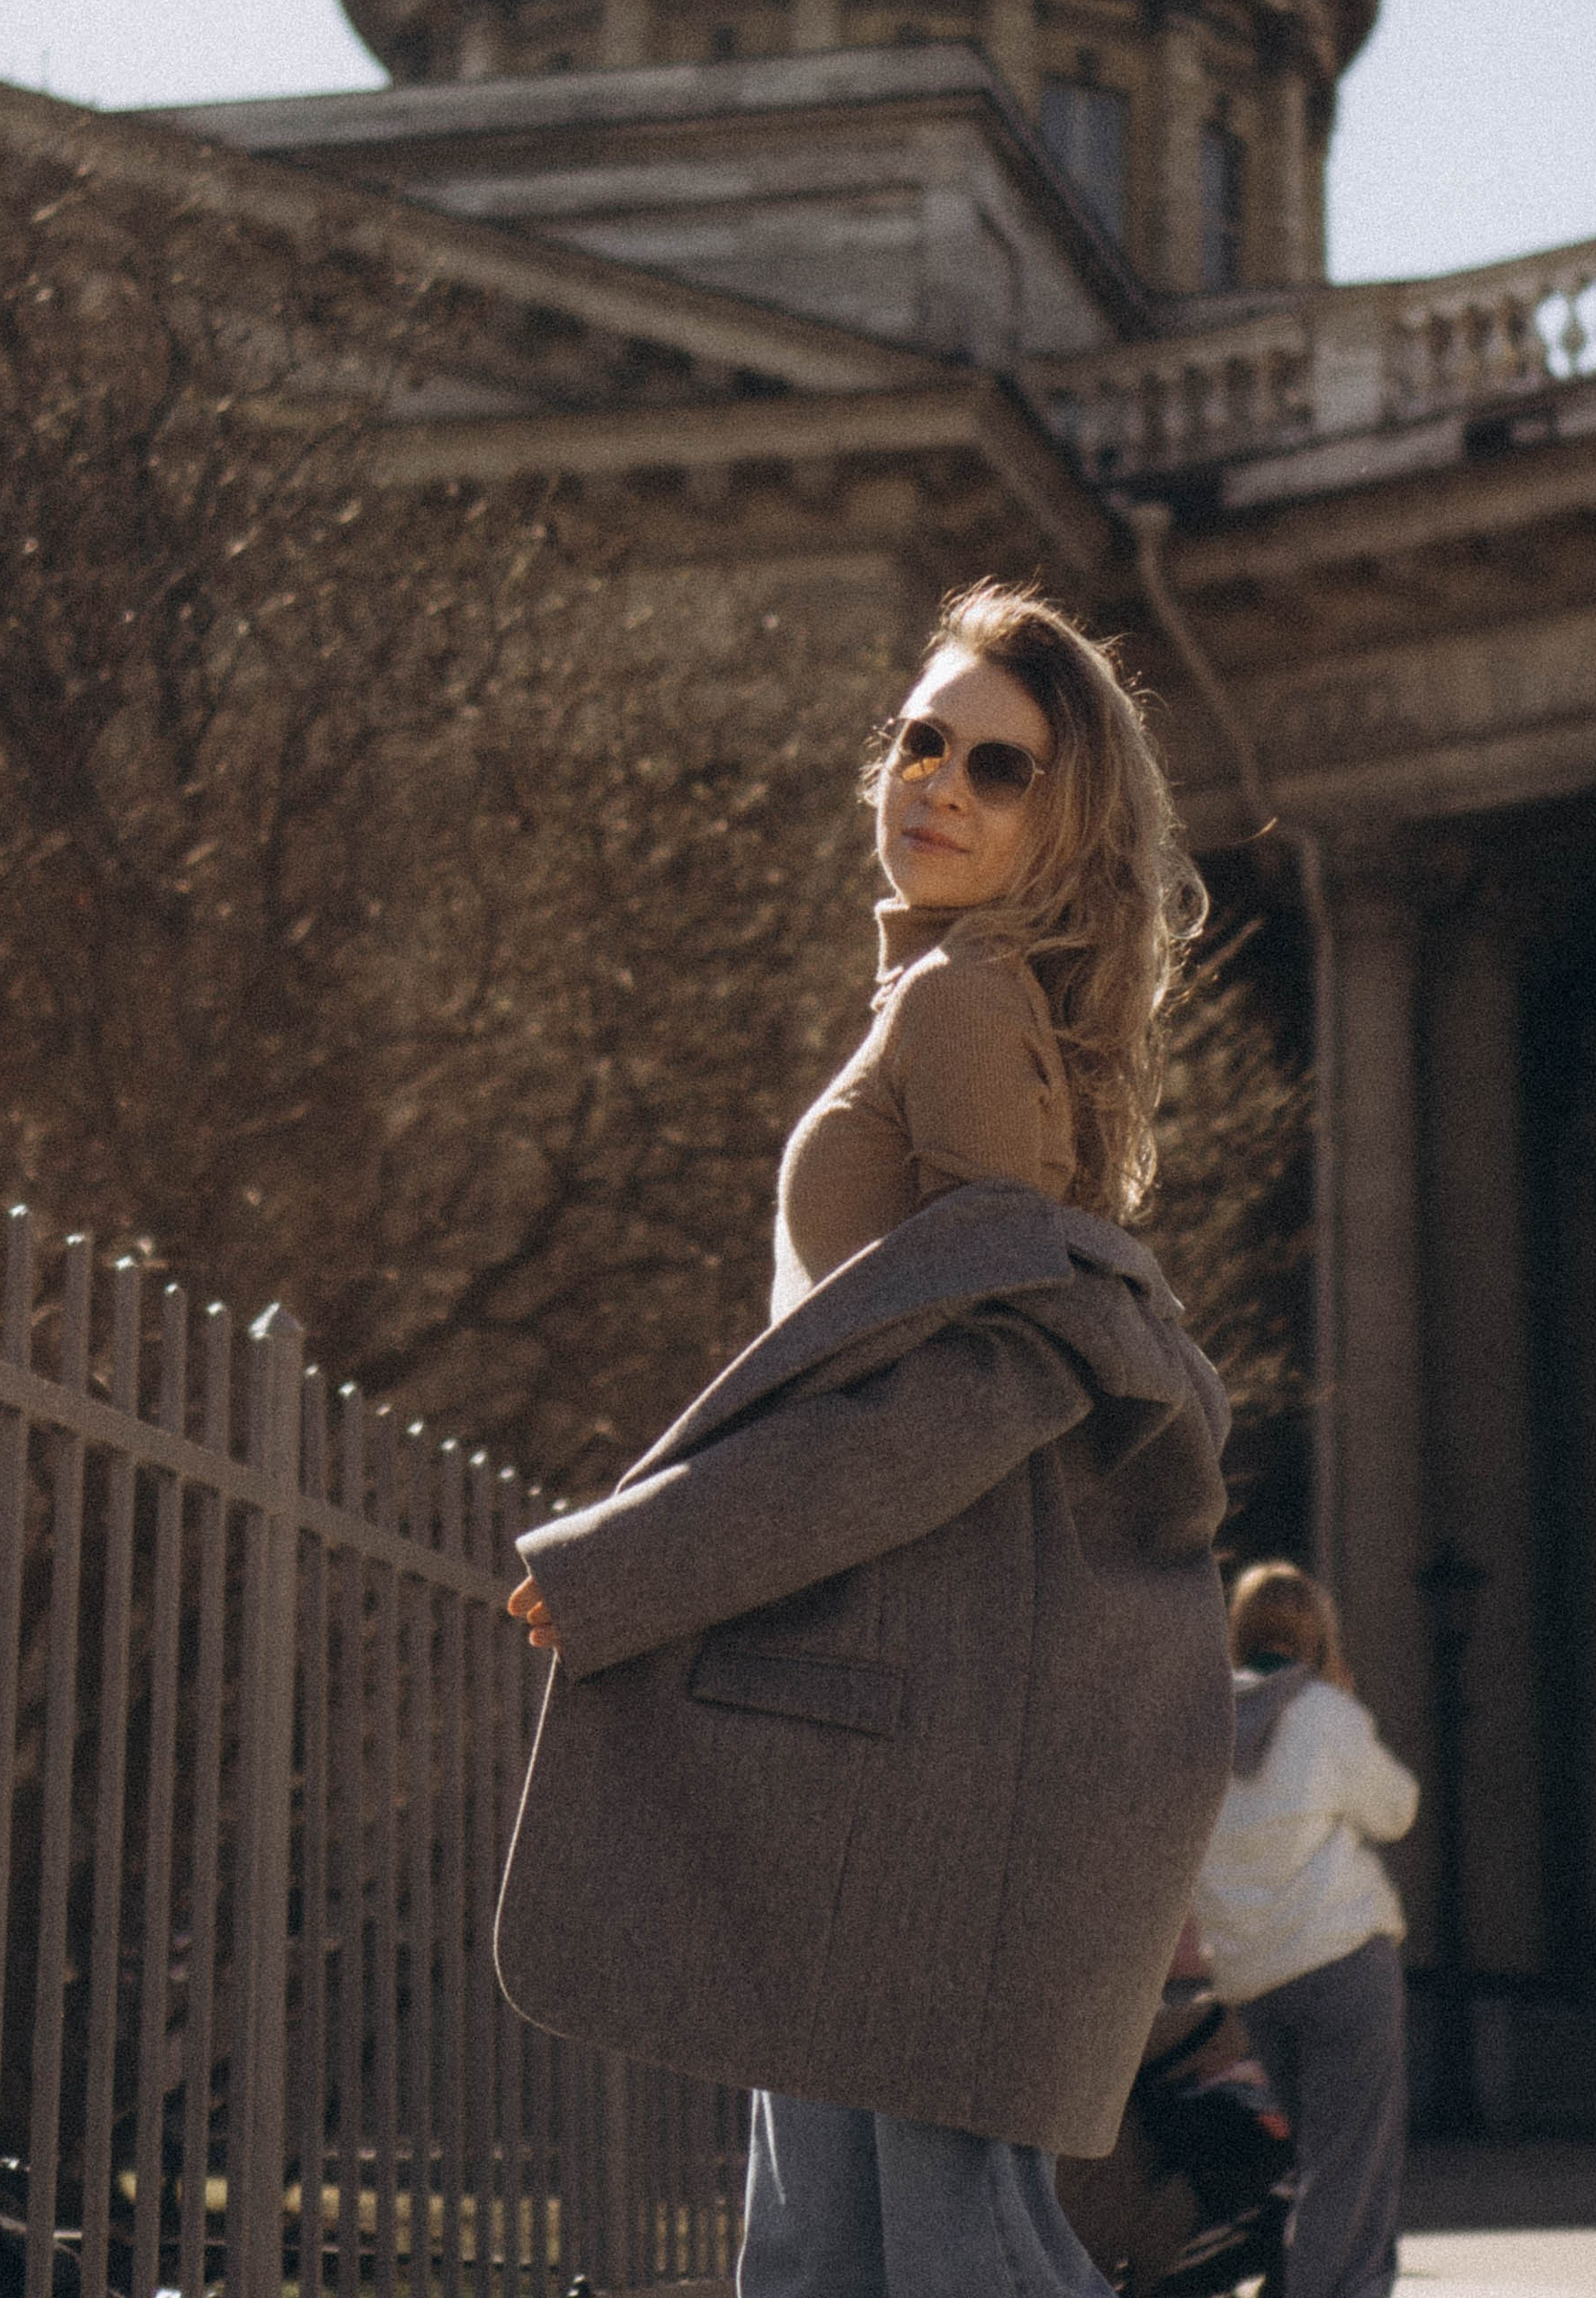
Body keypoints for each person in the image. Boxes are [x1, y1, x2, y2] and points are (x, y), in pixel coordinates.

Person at [496, 581, 1234, 2298]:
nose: (938, 786)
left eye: (998, 766)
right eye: (921, 741)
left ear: (1065, 826)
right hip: (889, 1727)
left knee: (939, 2248)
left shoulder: (964, 1011)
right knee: (832, 2246)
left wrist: (649, 1556)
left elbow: (990, 1380)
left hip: (930, 1744)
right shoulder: (962, 1004)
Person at [1189, 1562, 1419, 2298]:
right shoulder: (1323, 1713)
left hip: (1256, 1978)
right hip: (1343, 1964)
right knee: (1352, 2168)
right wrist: (1345, 1699)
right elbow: (1397, 1809)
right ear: (1319, 1636)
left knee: (1316, 2160)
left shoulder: (1202, 1720)